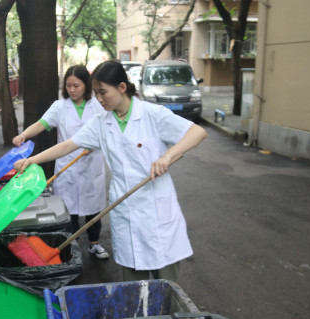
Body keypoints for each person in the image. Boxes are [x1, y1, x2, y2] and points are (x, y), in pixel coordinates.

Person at [14, 60, 207, 282]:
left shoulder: (152, 114)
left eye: (103, 92)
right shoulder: (101, 122)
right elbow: (68, 145)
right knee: (134, 287)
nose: (99, 99)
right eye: (96, 93)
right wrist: (32, 161)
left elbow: (197, 133)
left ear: (122, 87)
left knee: (167, 287)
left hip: (156, 212)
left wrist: (166, 156)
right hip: (124, 208)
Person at [12, 65, 110, 259]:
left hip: (92, 164)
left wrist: (97, 143)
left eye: (76, 85)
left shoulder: (97, 105)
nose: (72, 90)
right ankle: (72, 247)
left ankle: (94, 244)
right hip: (68, 165)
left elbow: (108, 129)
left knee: (94, 208)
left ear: (86, 85)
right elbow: (42, 123)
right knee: (69, 209)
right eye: (68, 85)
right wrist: (23, 135)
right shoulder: (60, 107)